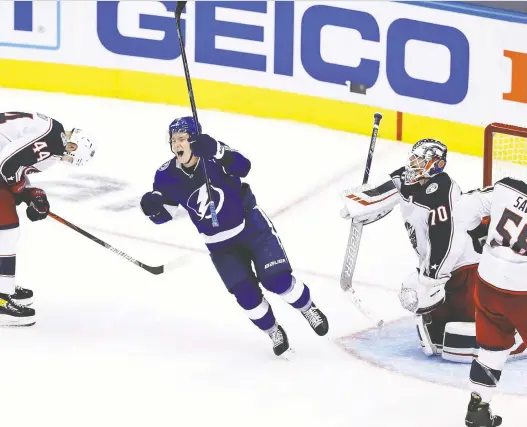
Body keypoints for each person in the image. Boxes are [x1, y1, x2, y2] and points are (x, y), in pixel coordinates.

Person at [140, 116, 329, 357]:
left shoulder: (212, 154)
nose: (177, 144)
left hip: (250, 226)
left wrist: (218, 151)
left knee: (277, 280)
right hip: (220, 246)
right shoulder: (166, 175)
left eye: (183, 139)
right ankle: (272, 330)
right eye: (173, 140)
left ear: (194, 139)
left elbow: (244, 167)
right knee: (247, 296)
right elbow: (164, 215)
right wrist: (152, 207)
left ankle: (307, 307)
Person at [339, 139, 525, 362]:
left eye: (419, 159)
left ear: (434, 165)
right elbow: (382, 193)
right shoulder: (407, 178)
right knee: (437, 337)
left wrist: (432, 278)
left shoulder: (442, 192)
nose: (412, 163)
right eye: (413, 157)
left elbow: (447, 241)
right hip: (444, 268)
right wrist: (358, 206)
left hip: (466, 268)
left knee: (472, 333)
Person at [0, 111, 97, 326]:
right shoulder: (53, 141)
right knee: (6, 230)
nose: (66, 157)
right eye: (70, 154)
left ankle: (2, 286)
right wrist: (21, 191)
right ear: (74, 144)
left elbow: (15, 163)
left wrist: (32, 193)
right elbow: (7, 165)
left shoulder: (53, 131)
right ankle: (1, 300)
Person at [452, 177, 527, 427]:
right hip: (523, 293)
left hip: (488, 285)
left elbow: (462, 208)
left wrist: (478, 235)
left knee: (492, 349)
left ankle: (478, 410)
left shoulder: (505, 187)